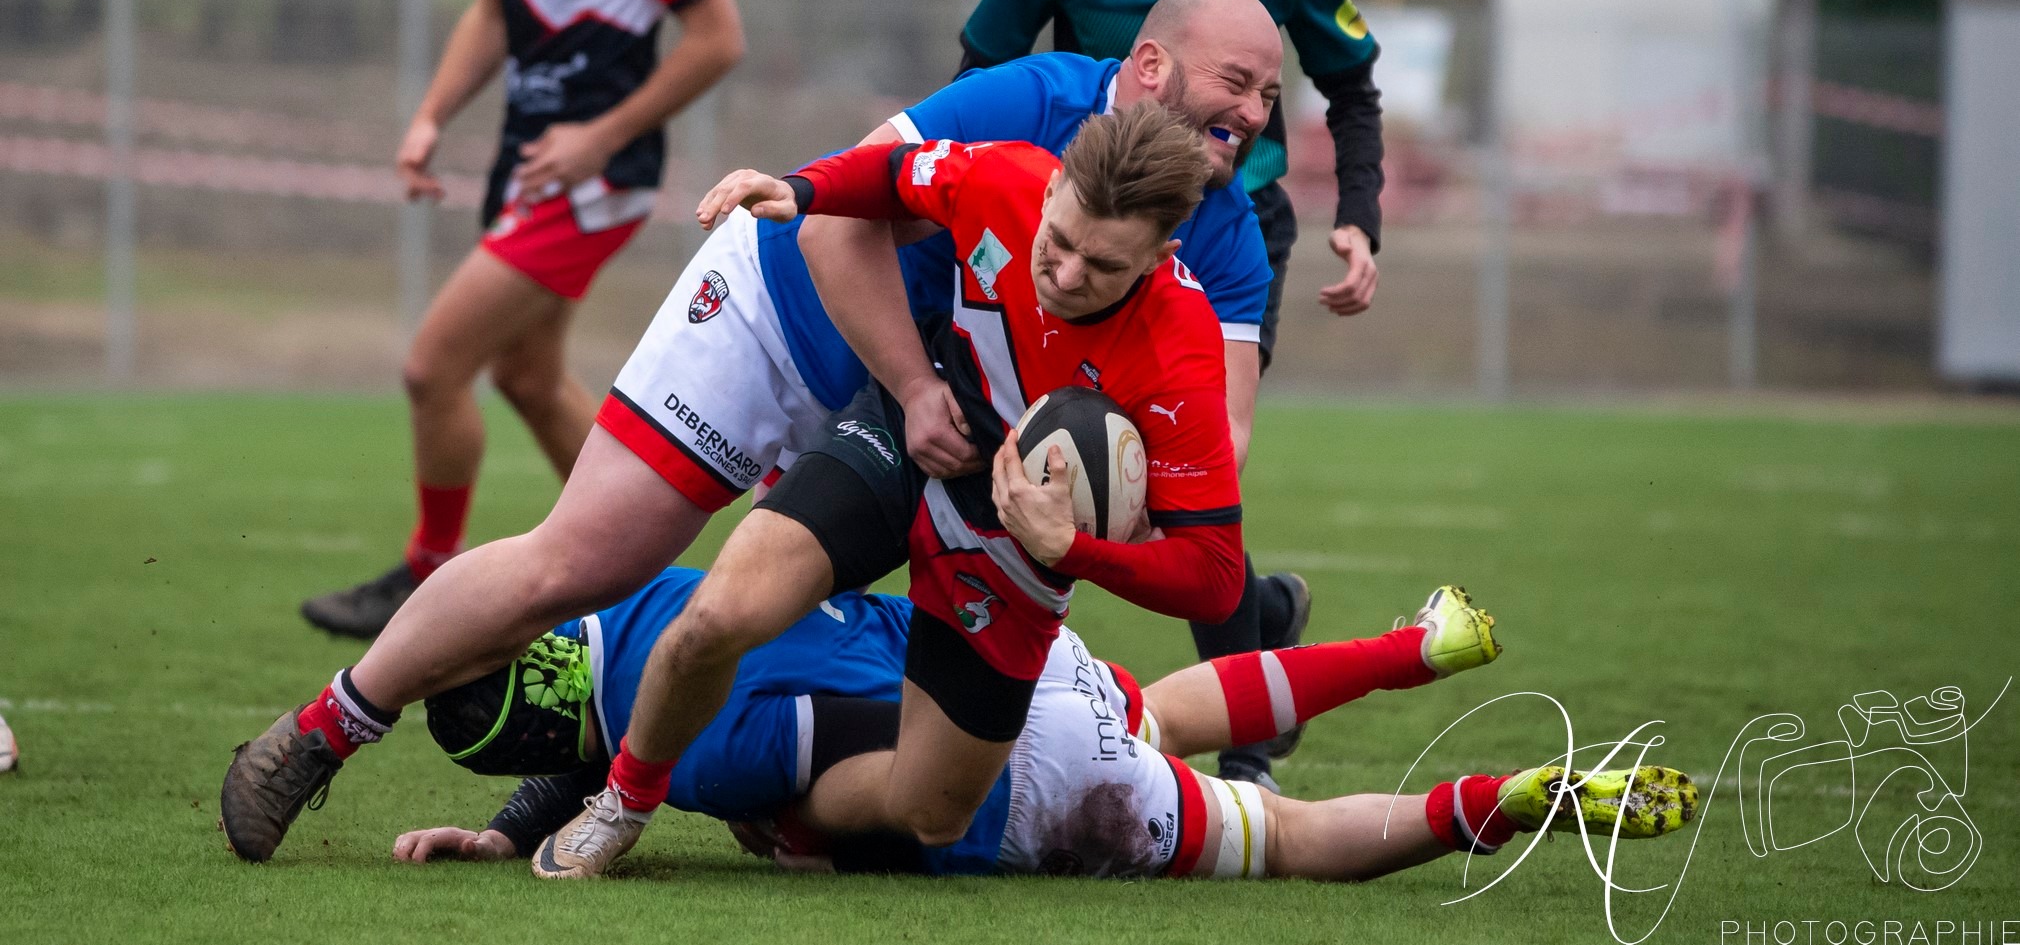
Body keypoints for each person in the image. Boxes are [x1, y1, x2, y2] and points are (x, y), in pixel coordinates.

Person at [219, 0, 1279, 865]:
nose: (1255, 110)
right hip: (793, 318)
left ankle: (590, 793)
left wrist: (1105, 526)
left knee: (786, 639)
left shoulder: (1220, 243)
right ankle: (323, 731)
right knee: (589, 559)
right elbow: (830, 220)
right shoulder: (1029, 111)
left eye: (1271, 94)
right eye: (1236, 82)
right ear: (1149, 68)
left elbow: (1203, 451)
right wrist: (909, 386)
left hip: (952, 430)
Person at [529, 105, 1247, 878]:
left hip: (1018, 549)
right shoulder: (1002, 174)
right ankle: (623, 803)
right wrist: (800, 188)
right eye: (1059, 242)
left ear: (1159, 256)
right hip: (909, 442)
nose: (1067, 275)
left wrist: (1072, 549)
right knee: (719, 615)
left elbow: (1214, 576)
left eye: (1103, 267)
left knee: (931, 811)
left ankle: (789, 812)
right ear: (1052, 190)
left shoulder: (1182, 353)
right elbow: (887, 174)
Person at [959, 0, 1386, 789]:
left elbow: (1350, 86)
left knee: (1198, 471)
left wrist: (1361, 213)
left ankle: (1246, 750)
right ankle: (1244, 617)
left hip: (1232, 234)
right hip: (1068, 231)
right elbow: (978, 71)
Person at [299, 0, 746, 639]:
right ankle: (638, 578)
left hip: (595, 173)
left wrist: (599, 136)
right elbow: (496, 14)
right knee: (528, 377)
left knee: (432, 367)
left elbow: (717, 39)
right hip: (527, 161)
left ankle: (428, 572)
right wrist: (428, 117)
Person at [396, 579, 1696, 881]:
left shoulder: (714, 755)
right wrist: (518, 830)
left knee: (1290, 836)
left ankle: (1511, 798)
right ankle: (1425, 644)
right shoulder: (645, 597)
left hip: (1012, 765)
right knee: (1174, 706)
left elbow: (889, 787)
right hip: (1014, 646)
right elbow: (609, 724)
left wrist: (805, 834)